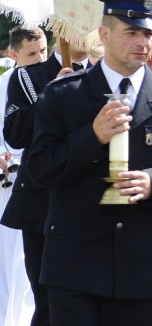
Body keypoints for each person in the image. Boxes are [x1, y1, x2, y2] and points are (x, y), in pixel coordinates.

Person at [26, 0, 152, 325]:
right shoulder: (64, 94)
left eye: (149, 33)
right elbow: (40, 168)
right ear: (105, 34)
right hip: (75, 260)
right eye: (132, 32)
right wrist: (91, 137)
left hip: (143, 263)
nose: (143, 42)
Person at [3, 36, 89, 326]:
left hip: (94, 208)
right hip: (42, 206)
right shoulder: (28, 76)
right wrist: (50, 95)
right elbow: (15, 135)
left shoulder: (107, 74)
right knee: (49, 306)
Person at [0, 27, 47, 326]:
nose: (40, 58)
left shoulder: (51, 78)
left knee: (30, 264)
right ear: (12, 54)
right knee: (8, 260)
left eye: (43, 50)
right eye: (32, 54)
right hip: (7, 182)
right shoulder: (7, 82)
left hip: (37, 181)